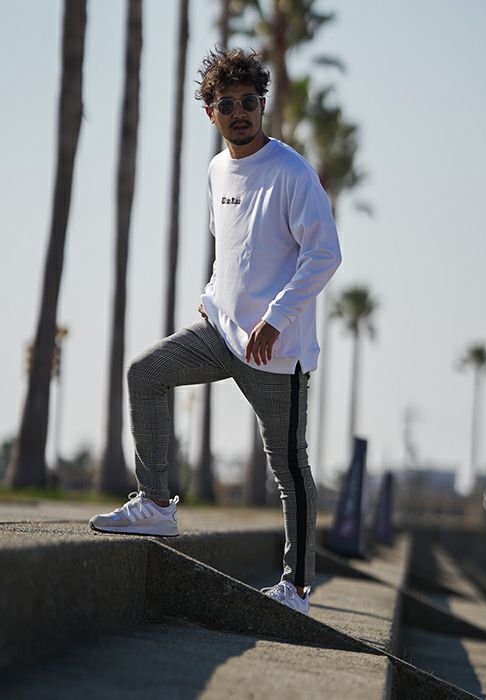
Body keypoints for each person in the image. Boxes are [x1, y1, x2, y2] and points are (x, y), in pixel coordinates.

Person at [90, 47, 341, 616]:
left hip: (277, 351)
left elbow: (324, 254)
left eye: (248, 102)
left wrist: (276, 318)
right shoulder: (216, 169)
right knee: (145, 374)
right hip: (220, 334)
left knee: (289, 468)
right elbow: (230, 246)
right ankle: (157, 504)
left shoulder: (292, 172)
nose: (239, 113)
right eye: (226, 105)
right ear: (210, 112)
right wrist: (211, 298)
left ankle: (297, 590)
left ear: (262, 105)